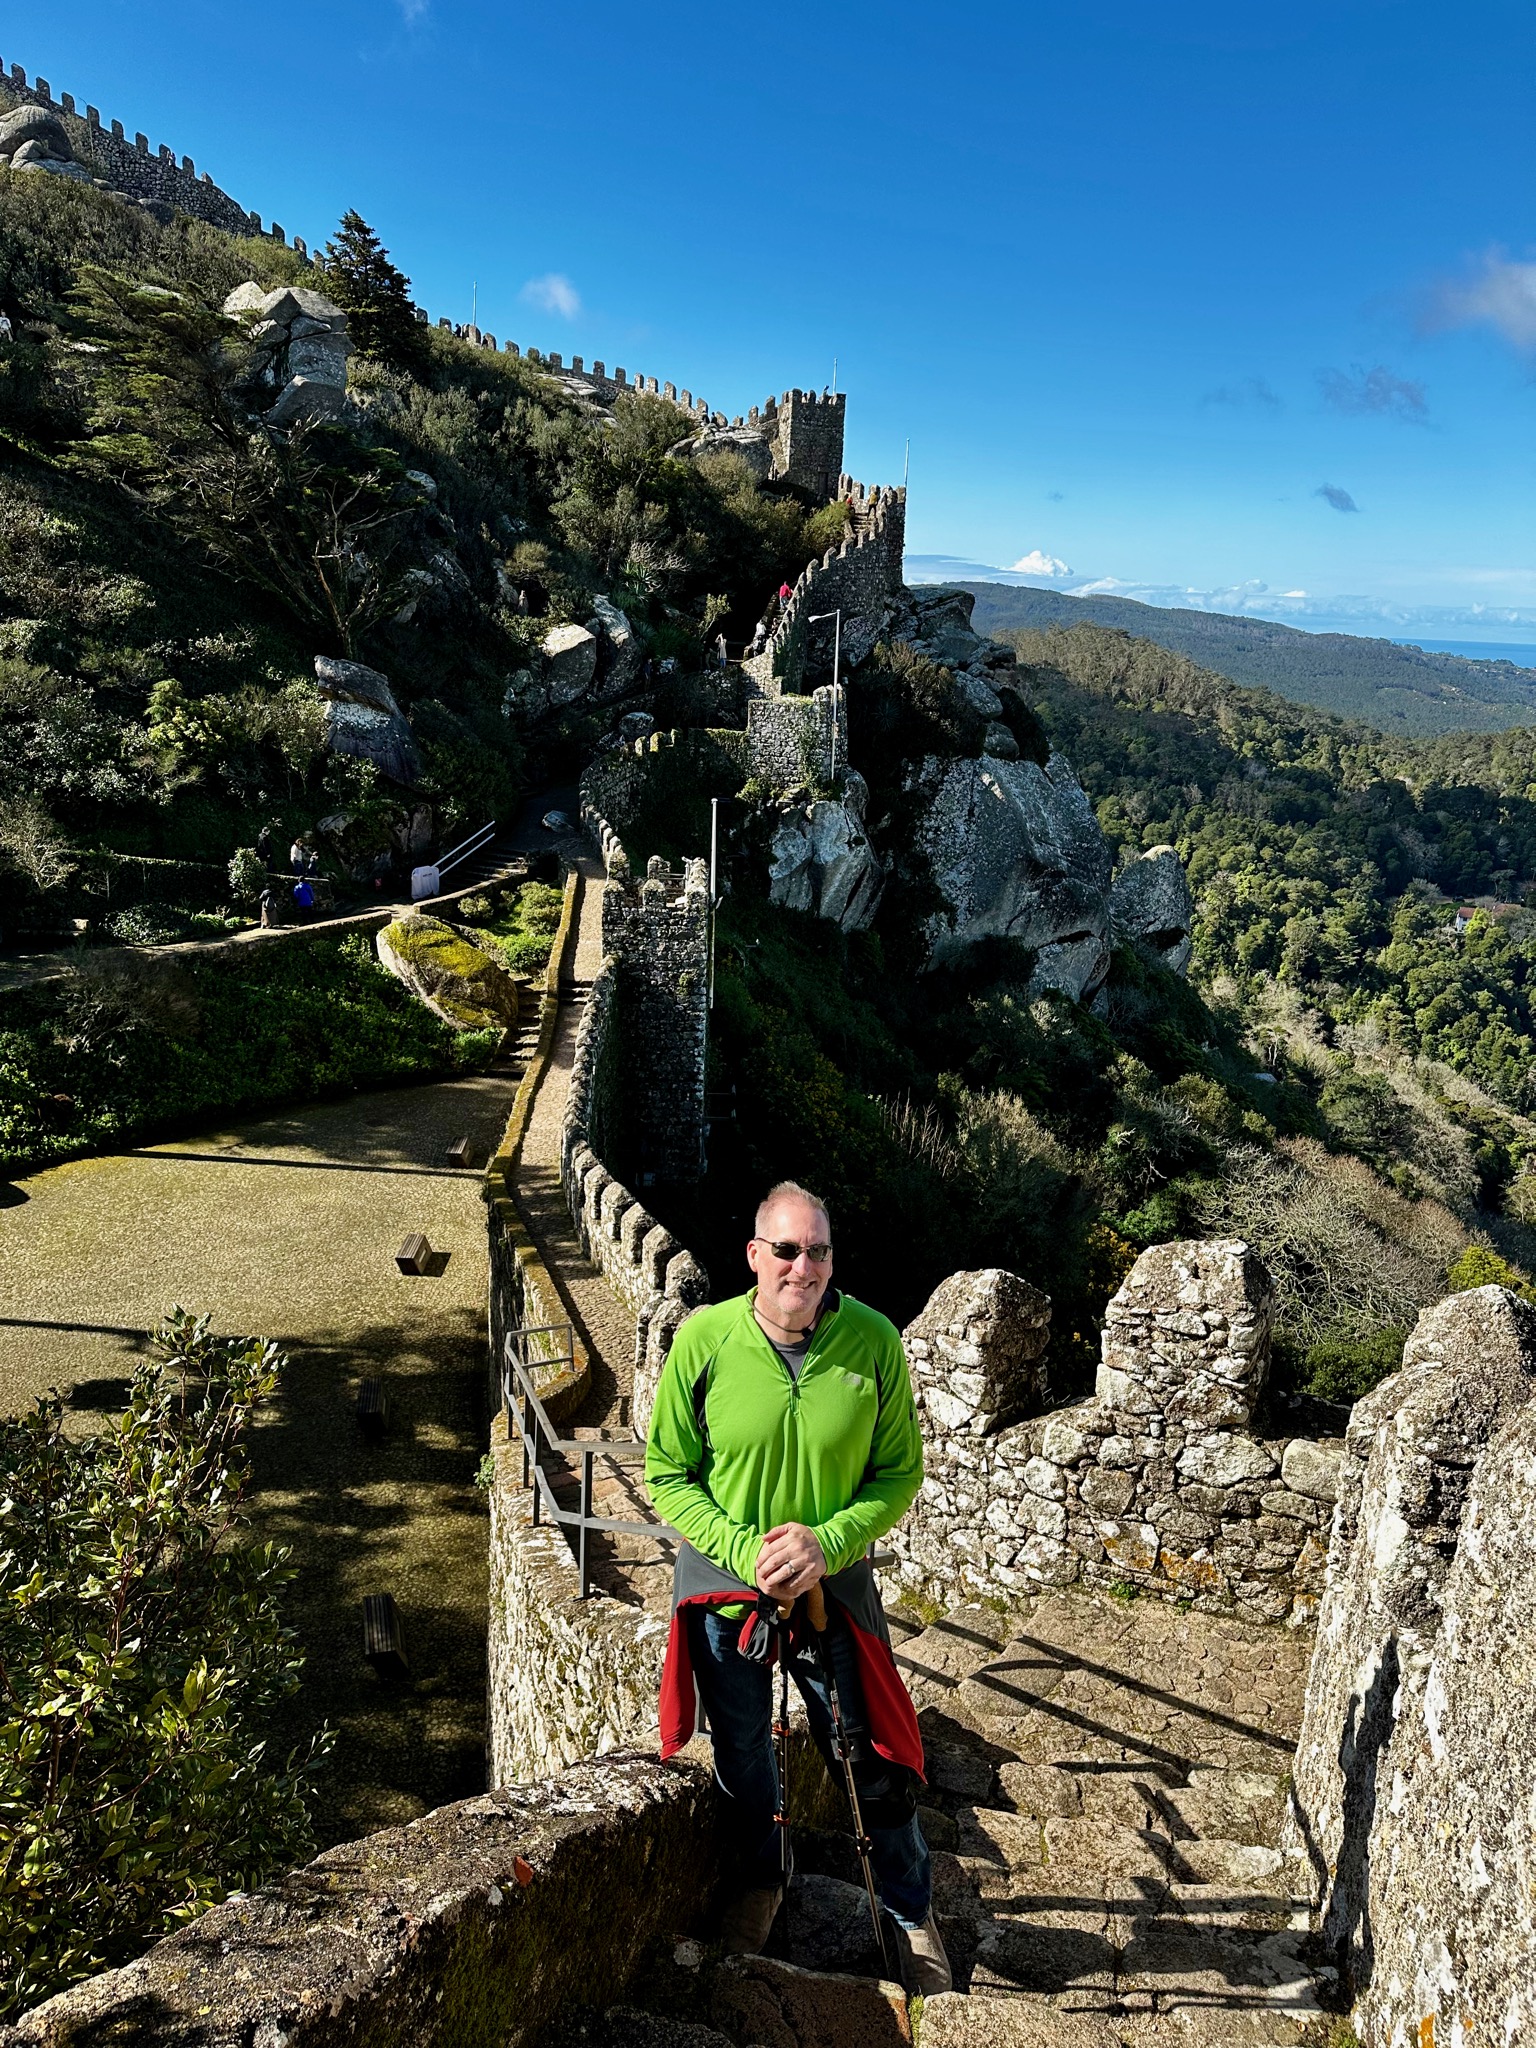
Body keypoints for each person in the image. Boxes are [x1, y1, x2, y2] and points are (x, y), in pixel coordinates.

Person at [645, 1182, 950, 1995]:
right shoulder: (704, 1341)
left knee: (867, 1752)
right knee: (742, 1751)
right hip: (725, 1582)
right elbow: (667, 1476)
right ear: (754, 1256)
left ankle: (911, 1913)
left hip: (833, 1580)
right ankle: (763, 1877)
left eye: (817, 1250)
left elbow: (898, 1474)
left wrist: (827, 1542)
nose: (802, 1267)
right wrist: (749, 1552)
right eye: (786, 1249)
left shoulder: (874, 1343)